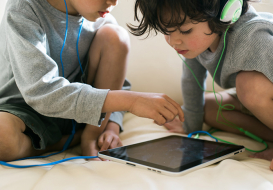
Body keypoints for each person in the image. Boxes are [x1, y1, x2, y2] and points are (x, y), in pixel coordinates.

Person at [0, 0, 184, 162]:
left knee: (116, 36)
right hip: (25, 112)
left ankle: (88, 136)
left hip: (84, 117)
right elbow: (41, 92)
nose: (113, 2)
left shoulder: (100, 20)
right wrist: (132, 101)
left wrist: (111, 127)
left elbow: (119, 86)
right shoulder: (23, 10)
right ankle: (69, 141)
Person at [128, 0, 273, 174]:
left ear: (224, 14)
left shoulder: (255, 38)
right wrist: (189, 125)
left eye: (185, 31)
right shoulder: (197, 45)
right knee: (207, 109)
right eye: (166, 31)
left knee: (249, 86)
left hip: (268, 92)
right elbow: (191, 82)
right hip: (261, 101)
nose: (174, 41)